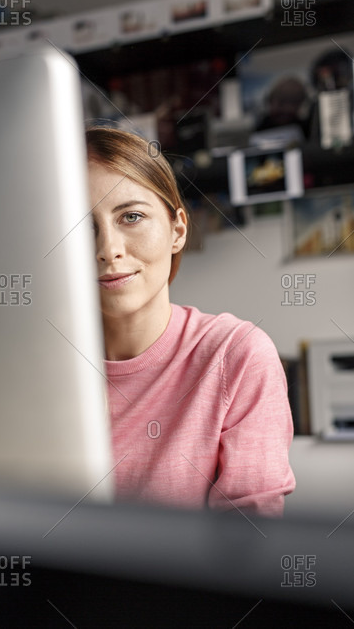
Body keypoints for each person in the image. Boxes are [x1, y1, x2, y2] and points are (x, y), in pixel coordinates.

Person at [86, 126, 296, 518]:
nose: (107, 250)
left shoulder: (237, 355)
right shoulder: (36, 368)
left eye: (131, 216)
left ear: (177, 229)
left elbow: (249, 549)